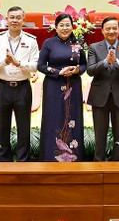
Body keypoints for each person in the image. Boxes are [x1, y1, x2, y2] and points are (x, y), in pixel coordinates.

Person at [0, 6, 40, 161]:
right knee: (2, 127)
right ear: (6, 19)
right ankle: (3, 161)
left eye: (18, 17)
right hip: (3, 87)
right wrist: (5, 61)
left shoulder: (31, 41)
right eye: (12, 17)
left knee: (24, 127)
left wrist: (18, 63)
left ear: (24, 20)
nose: (15, 21)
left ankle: (23, 160)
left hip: (22, 88)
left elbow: (35, 66)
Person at [86, 16, 119, 161]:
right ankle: (98, 162)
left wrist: (118, 62)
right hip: (99, 96)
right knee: (100, 133)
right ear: (102, 31)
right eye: (108, 28)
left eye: (114, 28)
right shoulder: (94, 47)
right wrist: (105, 62)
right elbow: (90, 70)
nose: (111, 31)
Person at [38, 13, 87, 161]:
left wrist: (77, 70)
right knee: (53, 117)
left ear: (72, 27)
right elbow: (40, 66)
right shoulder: (49, 43)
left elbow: (84, 65)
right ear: (56, 27)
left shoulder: (78, 44)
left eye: (68, 25)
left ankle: (74, 156)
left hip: (73, 85)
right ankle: (50, 157)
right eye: (61, 25)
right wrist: (59, 72)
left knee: (72, 117)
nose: (65, 28)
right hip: (53, 85)